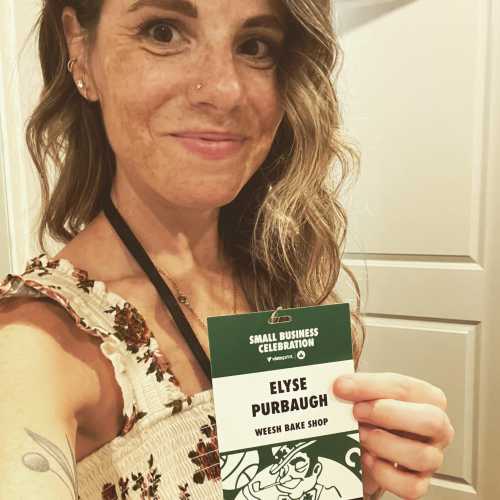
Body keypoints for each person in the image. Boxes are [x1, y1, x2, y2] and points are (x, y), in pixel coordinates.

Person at [0, 0, 454, 499]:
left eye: (255, 46)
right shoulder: (34, 345)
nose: (225, 90)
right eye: (163, 31)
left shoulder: (278, 277)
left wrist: (348, 481)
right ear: (80, 49)